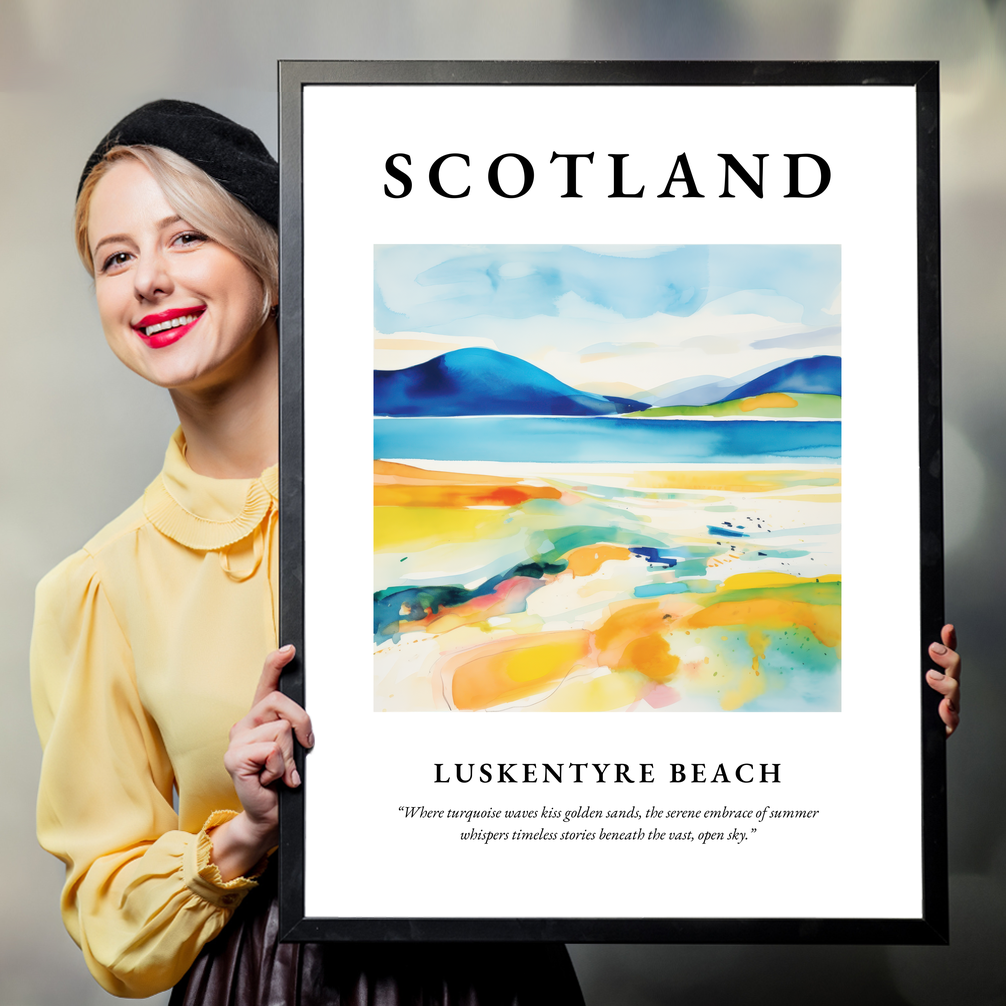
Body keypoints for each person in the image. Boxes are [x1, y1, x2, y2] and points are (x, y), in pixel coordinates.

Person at [30, 100, 585, 1004]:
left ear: (274, 264)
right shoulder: (97, 587)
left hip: (493, 974)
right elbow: (110, 924)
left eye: (186, 239)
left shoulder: (466, 492)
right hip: (262, 982)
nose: (148, 281)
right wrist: (245, 832)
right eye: (116, 257)